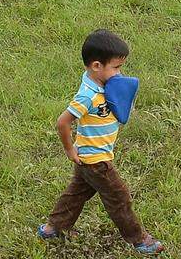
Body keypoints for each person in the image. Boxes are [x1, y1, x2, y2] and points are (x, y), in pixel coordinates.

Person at [37, 29, 164, 255]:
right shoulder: (87, 95)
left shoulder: (99, 83)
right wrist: (69, 149)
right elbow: (62, 122)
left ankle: (52, 228)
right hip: (96, 158)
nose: (119, 73)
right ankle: (139, 240)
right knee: (119, 198)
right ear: (96, 66)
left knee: (76, 194)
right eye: (115, 67)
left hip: (90, 156)